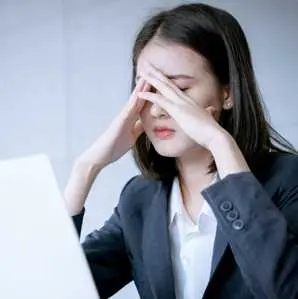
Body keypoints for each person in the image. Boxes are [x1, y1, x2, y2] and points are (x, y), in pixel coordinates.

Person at [64, 3, 298, 299]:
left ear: (228, 93)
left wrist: (220, 143)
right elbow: (54, 289)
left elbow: (285, 289)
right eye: (147, 90)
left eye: (178, 90)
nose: (158, 108)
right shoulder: (139, 199)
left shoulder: (288, 179)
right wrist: (85, 168)